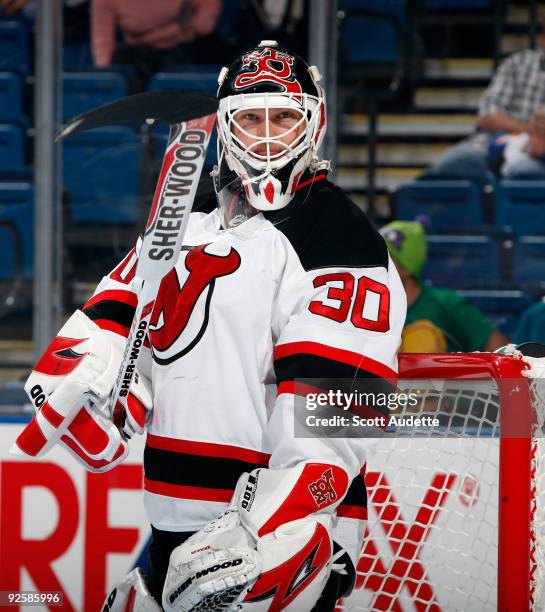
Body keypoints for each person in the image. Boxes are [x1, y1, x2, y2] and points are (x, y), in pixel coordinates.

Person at [12, 41, 406, 610]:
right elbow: (130, 307)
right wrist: (97, 372)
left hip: (281, 537)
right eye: (250, 117)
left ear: (313, 124)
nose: (267, 134)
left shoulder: (340, 241)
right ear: (225, 124)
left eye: (283, 117)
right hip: (173, 524)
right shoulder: (188, 217)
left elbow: (333, 420)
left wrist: (264, 533)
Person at [426, 18, 545, 184]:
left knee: (526, 173)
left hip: (538, 157)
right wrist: (527, 130)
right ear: (542, 39)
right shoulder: (518, 64)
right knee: (451, 165)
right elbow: (488, 117)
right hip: (490, 145)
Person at [380, 220, 507, 353]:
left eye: (383, 258)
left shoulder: (446, 303)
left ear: (406, 268)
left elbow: (500, 349)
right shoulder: (370, 304)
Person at [91, 0, 222, 81]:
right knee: (120, 69)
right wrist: (106, 78)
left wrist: (147, 38)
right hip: (138, 55)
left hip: (186, 48)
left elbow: (204, 26)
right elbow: (102, 42)